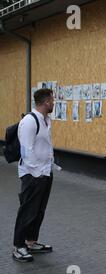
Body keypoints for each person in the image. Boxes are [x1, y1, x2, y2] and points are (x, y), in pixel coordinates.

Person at [12, 88, 55, 263]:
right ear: (46, 102)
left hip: (45, 172)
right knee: (27, 210)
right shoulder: (29, 121)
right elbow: (26, 150)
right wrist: (37, 173)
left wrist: (49, 168)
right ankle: (18, 246)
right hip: (32, 174)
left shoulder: (46, 120)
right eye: (52, 100)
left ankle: (31, 242)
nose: (54, 103)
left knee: (38, 210)